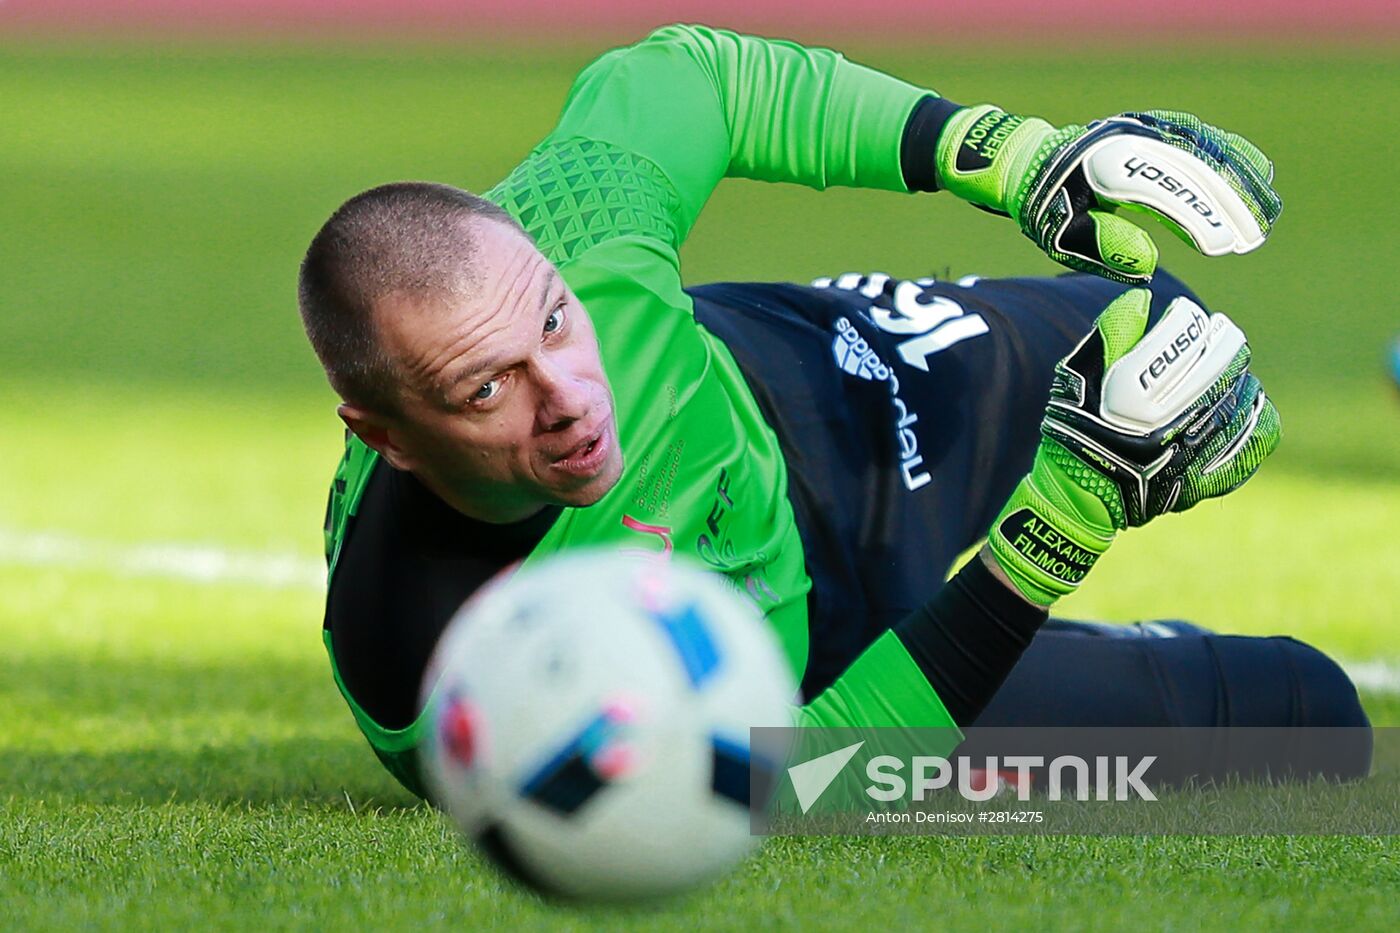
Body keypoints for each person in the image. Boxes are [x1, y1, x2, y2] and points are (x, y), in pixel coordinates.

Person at [296, 25, 1368, 797]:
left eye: (555, 326)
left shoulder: (563, 234)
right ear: (384, 437)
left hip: (818, 392)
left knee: (1174, 331)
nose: (567, 398)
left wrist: (1013, 156)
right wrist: (1065, 518)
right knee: (1307, 717)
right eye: (486, 390)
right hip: (807, 687)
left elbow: (693, 78)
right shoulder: (465, 667)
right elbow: (791, 786)